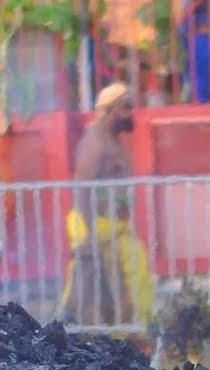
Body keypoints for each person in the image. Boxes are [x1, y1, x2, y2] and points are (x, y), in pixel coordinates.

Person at [59, 83, 155, 329]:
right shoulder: (94, 143)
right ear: (109, 111)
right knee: (90, 286)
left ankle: (137, 332)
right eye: (126, 108)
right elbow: (82, 189)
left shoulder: (112, 138)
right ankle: (67, 330)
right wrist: (89, 236)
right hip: (95, 225)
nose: (131, 113)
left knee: (135, 278)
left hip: (115, 226)